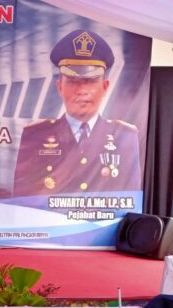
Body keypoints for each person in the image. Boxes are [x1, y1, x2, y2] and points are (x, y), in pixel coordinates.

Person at [13, 29, 141, 196]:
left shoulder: (125, 137)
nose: (82, 90)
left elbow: (132, 199)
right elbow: (22, 202)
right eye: (73, 81)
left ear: (104, 87)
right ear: (59, 87)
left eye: (90, 81)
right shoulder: (35, 135)